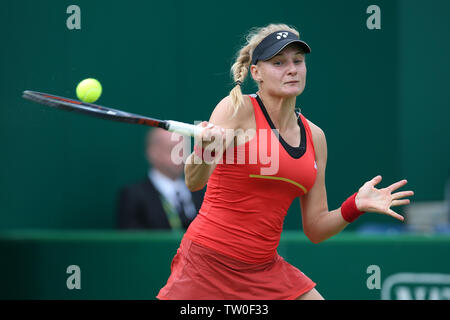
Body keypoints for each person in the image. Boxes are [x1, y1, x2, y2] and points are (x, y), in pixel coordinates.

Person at [157, 23, 414, 300]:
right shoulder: (236, 109)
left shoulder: (315, 137)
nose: (292, 69)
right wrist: (205, 149)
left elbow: (315, 228)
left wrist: (355, 206)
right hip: (208, 262)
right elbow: (194, 181)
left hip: (264, 270)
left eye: (298, 61)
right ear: (256, 72)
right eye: (278, 63)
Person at [117, 128, 204, 230]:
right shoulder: (134, 196)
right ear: (153, 153)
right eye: (172, 150)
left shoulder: (201, 193)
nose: (180, 157)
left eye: (183, 150)